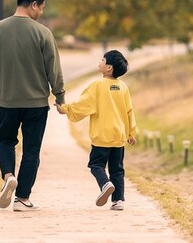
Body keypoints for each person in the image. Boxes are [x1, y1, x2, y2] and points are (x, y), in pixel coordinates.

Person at [0, 0, 65, 212]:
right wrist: (60, 96)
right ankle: (22, 197)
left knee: (5, 141)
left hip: (7, 101)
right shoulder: (43, 33)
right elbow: (54, 69)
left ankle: (9, 175)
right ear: (33, 4)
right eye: (41, 8)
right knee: (31, 150)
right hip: (36, 104)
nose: (41, 13)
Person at [55, 49, 137, 211]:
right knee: (117, 169)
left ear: (109, 68)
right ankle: (118, 200)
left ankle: (105, 184)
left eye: (102, 59)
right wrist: (131, 133)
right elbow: (129, 111)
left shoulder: (97, 85)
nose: (99, 61)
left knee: (96, 164)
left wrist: (64, 108)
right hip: (119, 136)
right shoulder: (123, 87)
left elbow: (82, 106)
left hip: (102, 135)